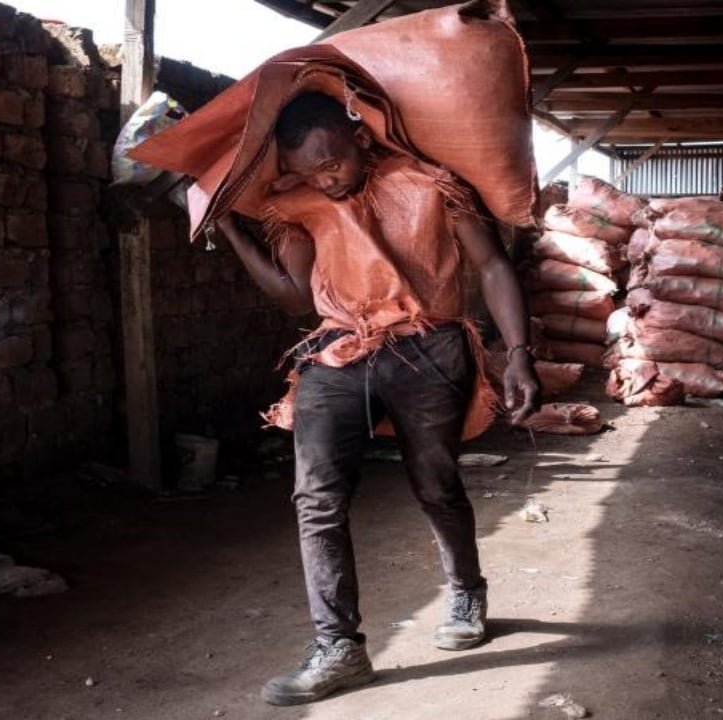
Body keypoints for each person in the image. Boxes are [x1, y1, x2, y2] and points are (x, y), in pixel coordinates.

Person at [209, 91, 540, 706]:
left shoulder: (432, 183)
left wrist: (518, 352)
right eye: (308, 171)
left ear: (360, 137)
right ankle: (339, 648)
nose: (324, 179)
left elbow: (492, 267)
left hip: (432, 347)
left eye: (331, 163)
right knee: (316, 500)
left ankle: (466, 589)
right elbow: (294, 301)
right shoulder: (298, 203)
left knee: (435, 484)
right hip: (338, 353)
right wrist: (227, 222)